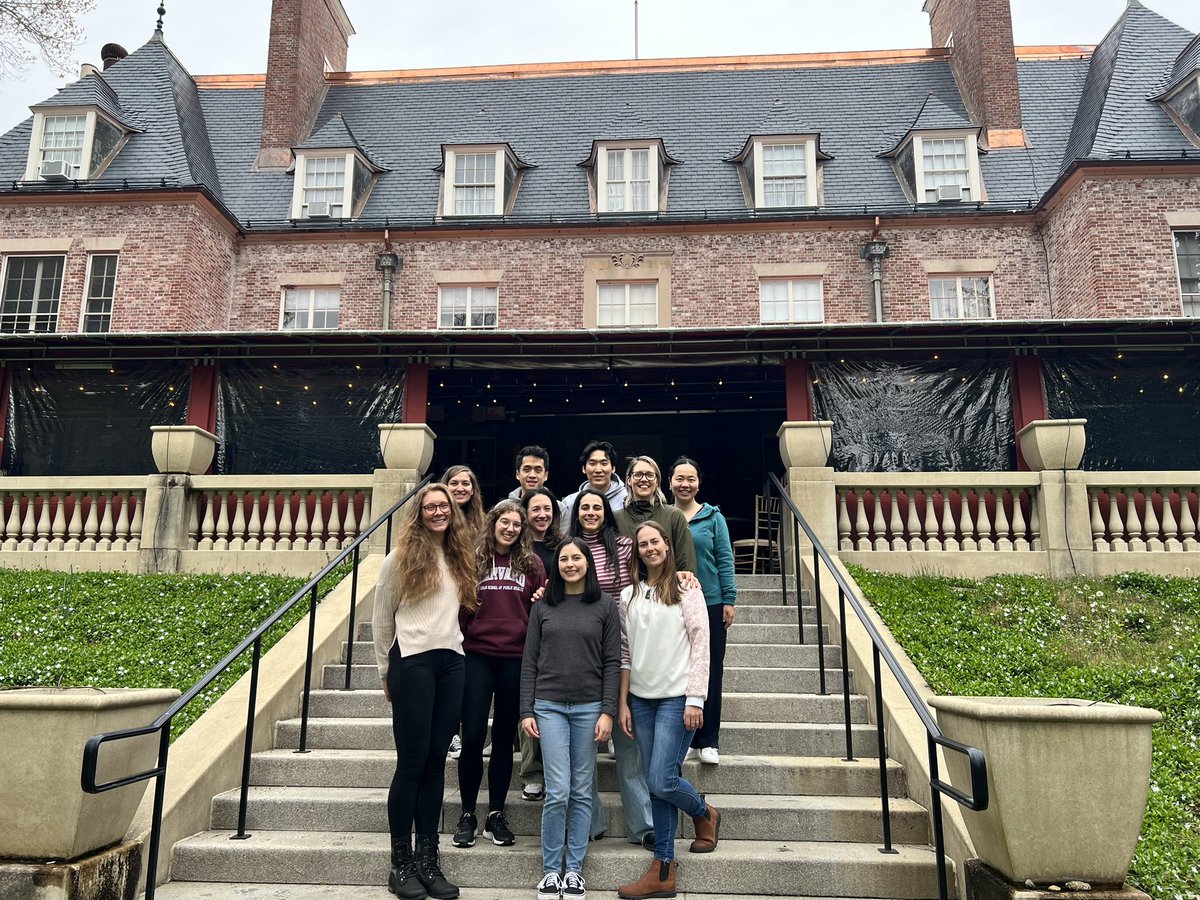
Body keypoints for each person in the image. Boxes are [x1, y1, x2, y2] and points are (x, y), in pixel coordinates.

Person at [371, 482, 477, 900]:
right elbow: (382, 619)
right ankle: (400, 865)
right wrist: (386, 672)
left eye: (444, 506)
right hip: (412, 662)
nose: (438, 512)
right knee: (412, 763)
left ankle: (428, 861)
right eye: (430, 507)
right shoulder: (398, 559)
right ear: (418, 513)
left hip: (452, 663)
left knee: (436, 765)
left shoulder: (459, 556)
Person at [616, 521, 720, 900]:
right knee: (656, 782)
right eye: (643, 544)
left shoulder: (686, 588)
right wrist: (623, 702)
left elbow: (701, 643)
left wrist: (696, 698)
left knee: (661, 779)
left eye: (655, 541)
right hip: (641, 700)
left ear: (666, 545)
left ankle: (703, 813)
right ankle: (663, 868)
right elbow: (625, 652)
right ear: (637, 552)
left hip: (677, 698)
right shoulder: (627, 595)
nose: (650, 548)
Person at [521, 538, 621, 900]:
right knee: (558, 790)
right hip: (548, 706)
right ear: (556, 565)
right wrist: (526, 710)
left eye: (576, 558)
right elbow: (529, 660)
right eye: (564, 559)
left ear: (588, 562)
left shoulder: (605, 605)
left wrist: (608, 710)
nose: (570, 564)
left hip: (589, 707)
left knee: (581, 791)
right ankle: (551, 871)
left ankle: (574, 870)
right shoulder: (544, 605)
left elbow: (612, 662)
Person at [454, 500, 547, 850]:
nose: (510, 529)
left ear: (523, 530)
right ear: (492, 523)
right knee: (473, 736)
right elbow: (461, 610)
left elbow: (540, 609)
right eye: (504, 522)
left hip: (515, 658)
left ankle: (496, 814)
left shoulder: (532, 564)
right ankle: (467, 813)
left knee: (505, 739)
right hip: (477, 656)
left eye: (516, 524)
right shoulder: (474, 560)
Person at [567, 488, 653, 848]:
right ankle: (590, 822)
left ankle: (643, 826)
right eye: (584, 507)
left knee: (628, 744)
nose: (590, 512)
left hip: (624, 645)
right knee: (583, 749)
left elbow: (649, 579)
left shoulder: (625, 546)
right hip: (583, 651)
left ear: (606, 513)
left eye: (597, 507)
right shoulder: (569, 548)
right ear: (576, 512)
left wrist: (684, 575)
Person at [669, 456, 736, 765]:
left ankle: (708, 740)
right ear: (670, 482)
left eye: (691, 479)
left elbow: (724, 558)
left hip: (709, 601)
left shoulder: (713, 517)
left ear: (698, 483)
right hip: (672, 602)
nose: (685, 484)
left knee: (710, 670)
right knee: (680, 671)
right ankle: (685, 738)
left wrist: (729, 599)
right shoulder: (664, 516)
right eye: (679, 478)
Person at [518, 485, 566, 802]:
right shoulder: (516, 546)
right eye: (535, 509)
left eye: (547, 509)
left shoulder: (561, 546)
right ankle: (532, 773)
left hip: (556, 632)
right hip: (522, 630)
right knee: (529, 702)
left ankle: (555, 770)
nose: (542, 514)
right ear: (525, 513)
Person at [614, 456, 697, 575]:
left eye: (650, 475)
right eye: (638, 475)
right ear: (629, 480)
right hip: (628, 586)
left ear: (657, 481)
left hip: (668, 585)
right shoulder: (616, 518)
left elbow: (686, 566)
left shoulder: (673, 516)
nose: (644, 479)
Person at [560, 440, 628, 517]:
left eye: (604, 463)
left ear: (613, 468)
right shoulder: (570, 503)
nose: (598, 470)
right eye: (592, 463)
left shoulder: (627, 499)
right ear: (584, 468)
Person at [441, 464, 486, 537]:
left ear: (472, 490)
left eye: (465, 484)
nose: (460, 489)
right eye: (454, 483)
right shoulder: (436, 517)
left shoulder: (483, 522)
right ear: (444, 487)